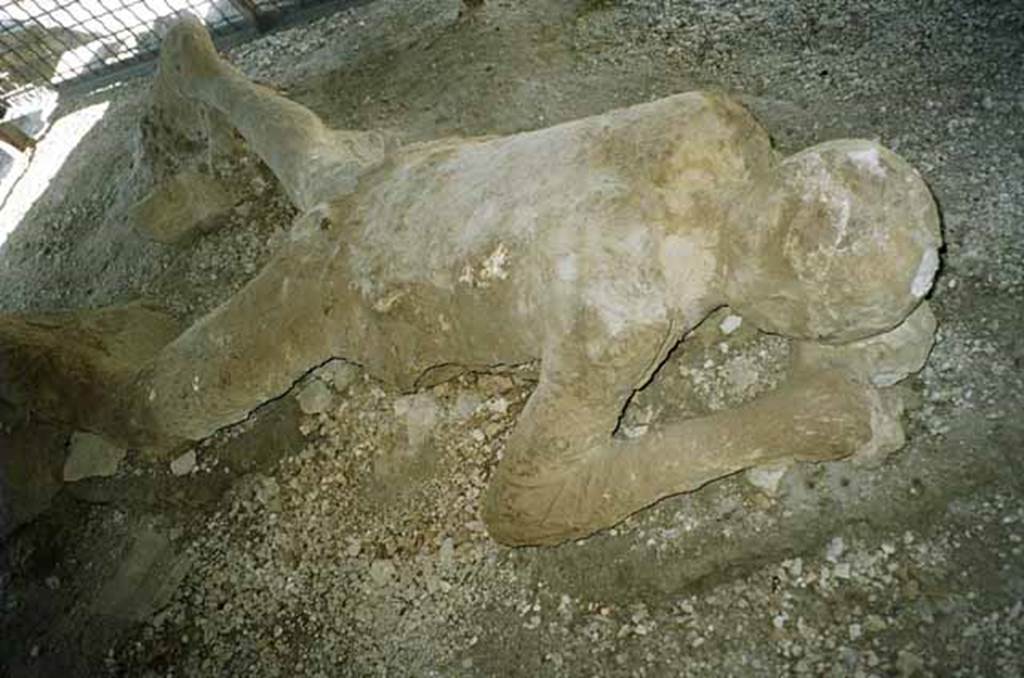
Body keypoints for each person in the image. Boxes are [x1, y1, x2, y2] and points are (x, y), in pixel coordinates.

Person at [0, 17, 942, 546]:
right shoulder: (621, 311)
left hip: (427, 177)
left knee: (324, 164)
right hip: (348, 280)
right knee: (151, 413)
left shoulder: (717, 123)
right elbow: (524, 508)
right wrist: (779, 425)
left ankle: (206, 77)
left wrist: (834, 342)